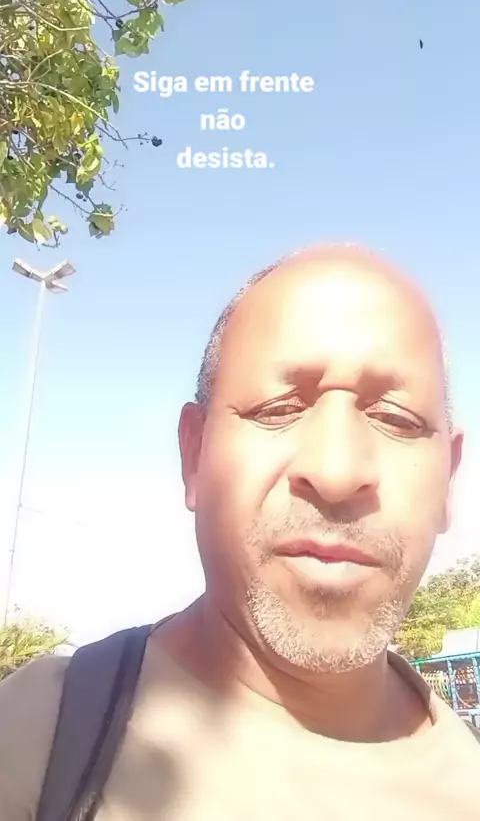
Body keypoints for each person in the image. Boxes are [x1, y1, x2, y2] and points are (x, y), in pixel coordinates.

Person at [1, 242, 478, 820]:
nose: (336, 472)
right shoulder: (33, 739)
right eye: (278, 410)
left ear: (449, 480)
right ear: (194, 455)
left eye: (396, 420)